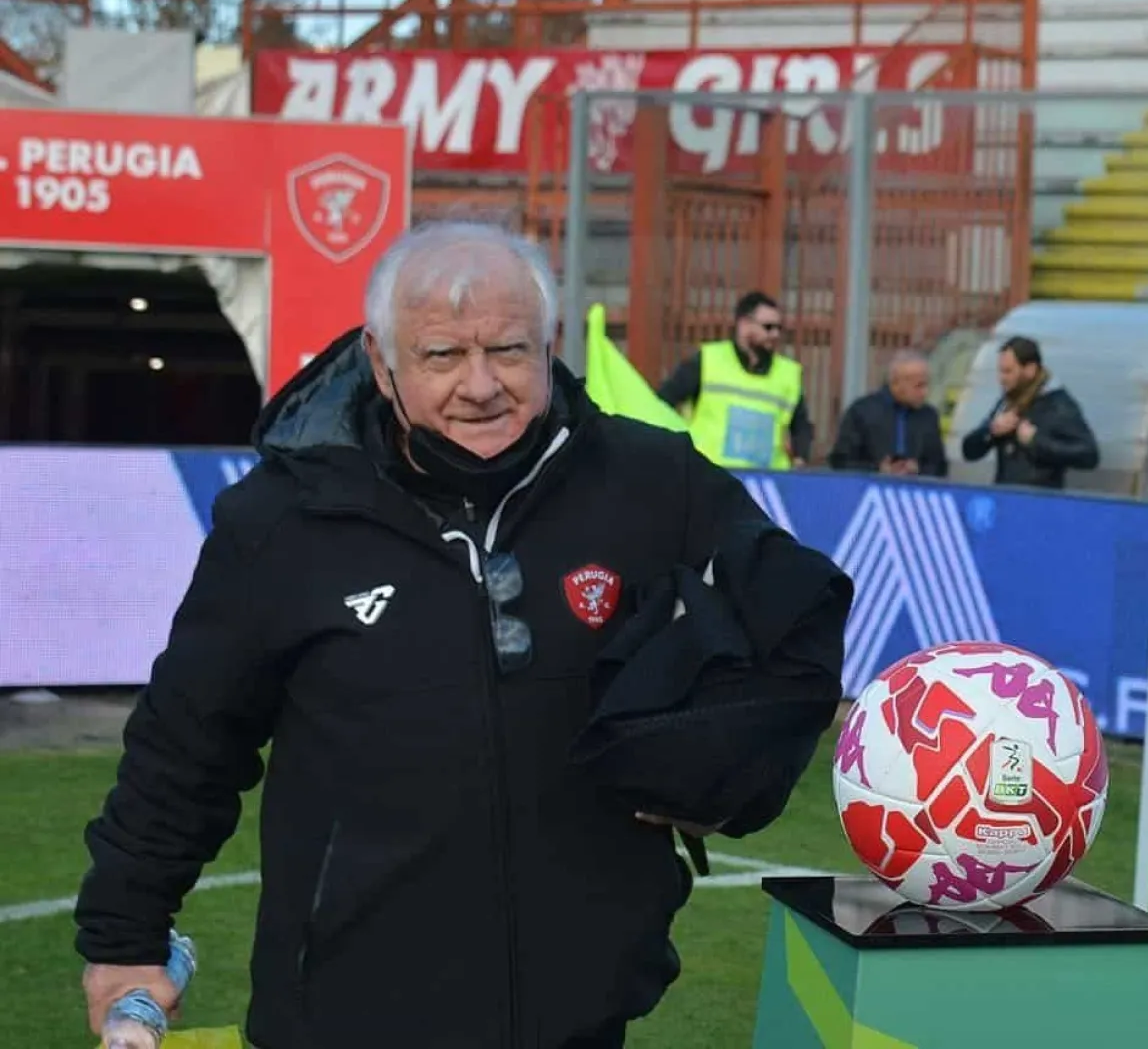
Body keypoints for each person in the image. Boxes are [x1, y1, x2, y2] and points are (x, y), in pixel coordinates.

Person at [74, 221, 844, 1049]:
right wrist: (125, 937)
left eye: (509, 351)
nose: (481, 385)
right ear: (381, 361)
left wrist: (720, 772)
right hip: (343, 1018)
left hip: (583, 1014)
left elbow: (796, 619)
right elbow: (186, 743)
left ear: (549, 344)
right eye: (442, 357)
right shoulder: (283, 518)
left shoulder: (653, 482)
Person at [657, 291, 812, 471]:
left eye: (779, 328)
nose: (775, 334)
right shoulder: (708, 361)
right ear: (744, 325)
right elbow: (663, 402)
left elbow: (801, 425)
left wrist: (801, 458)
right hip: (709, 475)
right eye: (768, 327)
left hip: (766, 481)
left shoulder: (788, 374)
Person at [961, 336, 1099, 489]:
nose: (1001, 379)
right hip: (1005, 497)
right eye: (1000, 371)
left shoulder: (1058, 405)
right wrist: (991, 431)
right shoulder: (1007, 401)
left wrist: (1036, 441)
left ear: (1030, 370)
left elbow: (1089, 455)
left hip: (1041, 503)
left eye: (1008, 372)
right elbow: (969, 451)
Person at [829, 350, 948, 477]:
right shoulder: (862, 411)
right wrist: (878, 469)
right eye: (919, 386)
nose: (925, 392)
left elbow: (939, 466)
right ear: (896, 383)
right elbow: (841, 461)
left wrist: (918, 469)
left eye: (926, 385)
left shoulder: (928, 416)